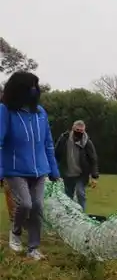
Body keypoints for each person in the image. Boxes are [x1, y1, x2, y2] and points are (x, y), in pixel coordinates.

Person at [0, 71, 60, 260]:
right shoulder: (5, 111)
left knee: (38, 206)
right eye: (30, 86)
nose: (34, 90)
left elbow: (48, 143)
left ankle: (33, 248)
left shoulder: (40, 112)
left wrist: (54, 170)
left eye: (36, 86)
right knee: (25, 203)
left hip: (40, 169)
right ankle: (16, 232)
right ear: (19, 89)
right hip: (15, 169)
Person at [55, 120, 99, 212]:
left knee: (80, 193)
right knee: (68, 197)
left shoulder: (87, 142)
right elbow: (56, 154)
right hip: (67, 173)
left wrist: (94, 176)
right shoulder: (64, 139)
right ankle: (69, 215)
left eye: (81, 131)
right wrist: (53, 169)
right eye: (77, 130)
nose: (79, 133)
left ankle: (83, 214)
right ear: (72, 129)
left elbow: (93, 159)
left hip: (81, 174)